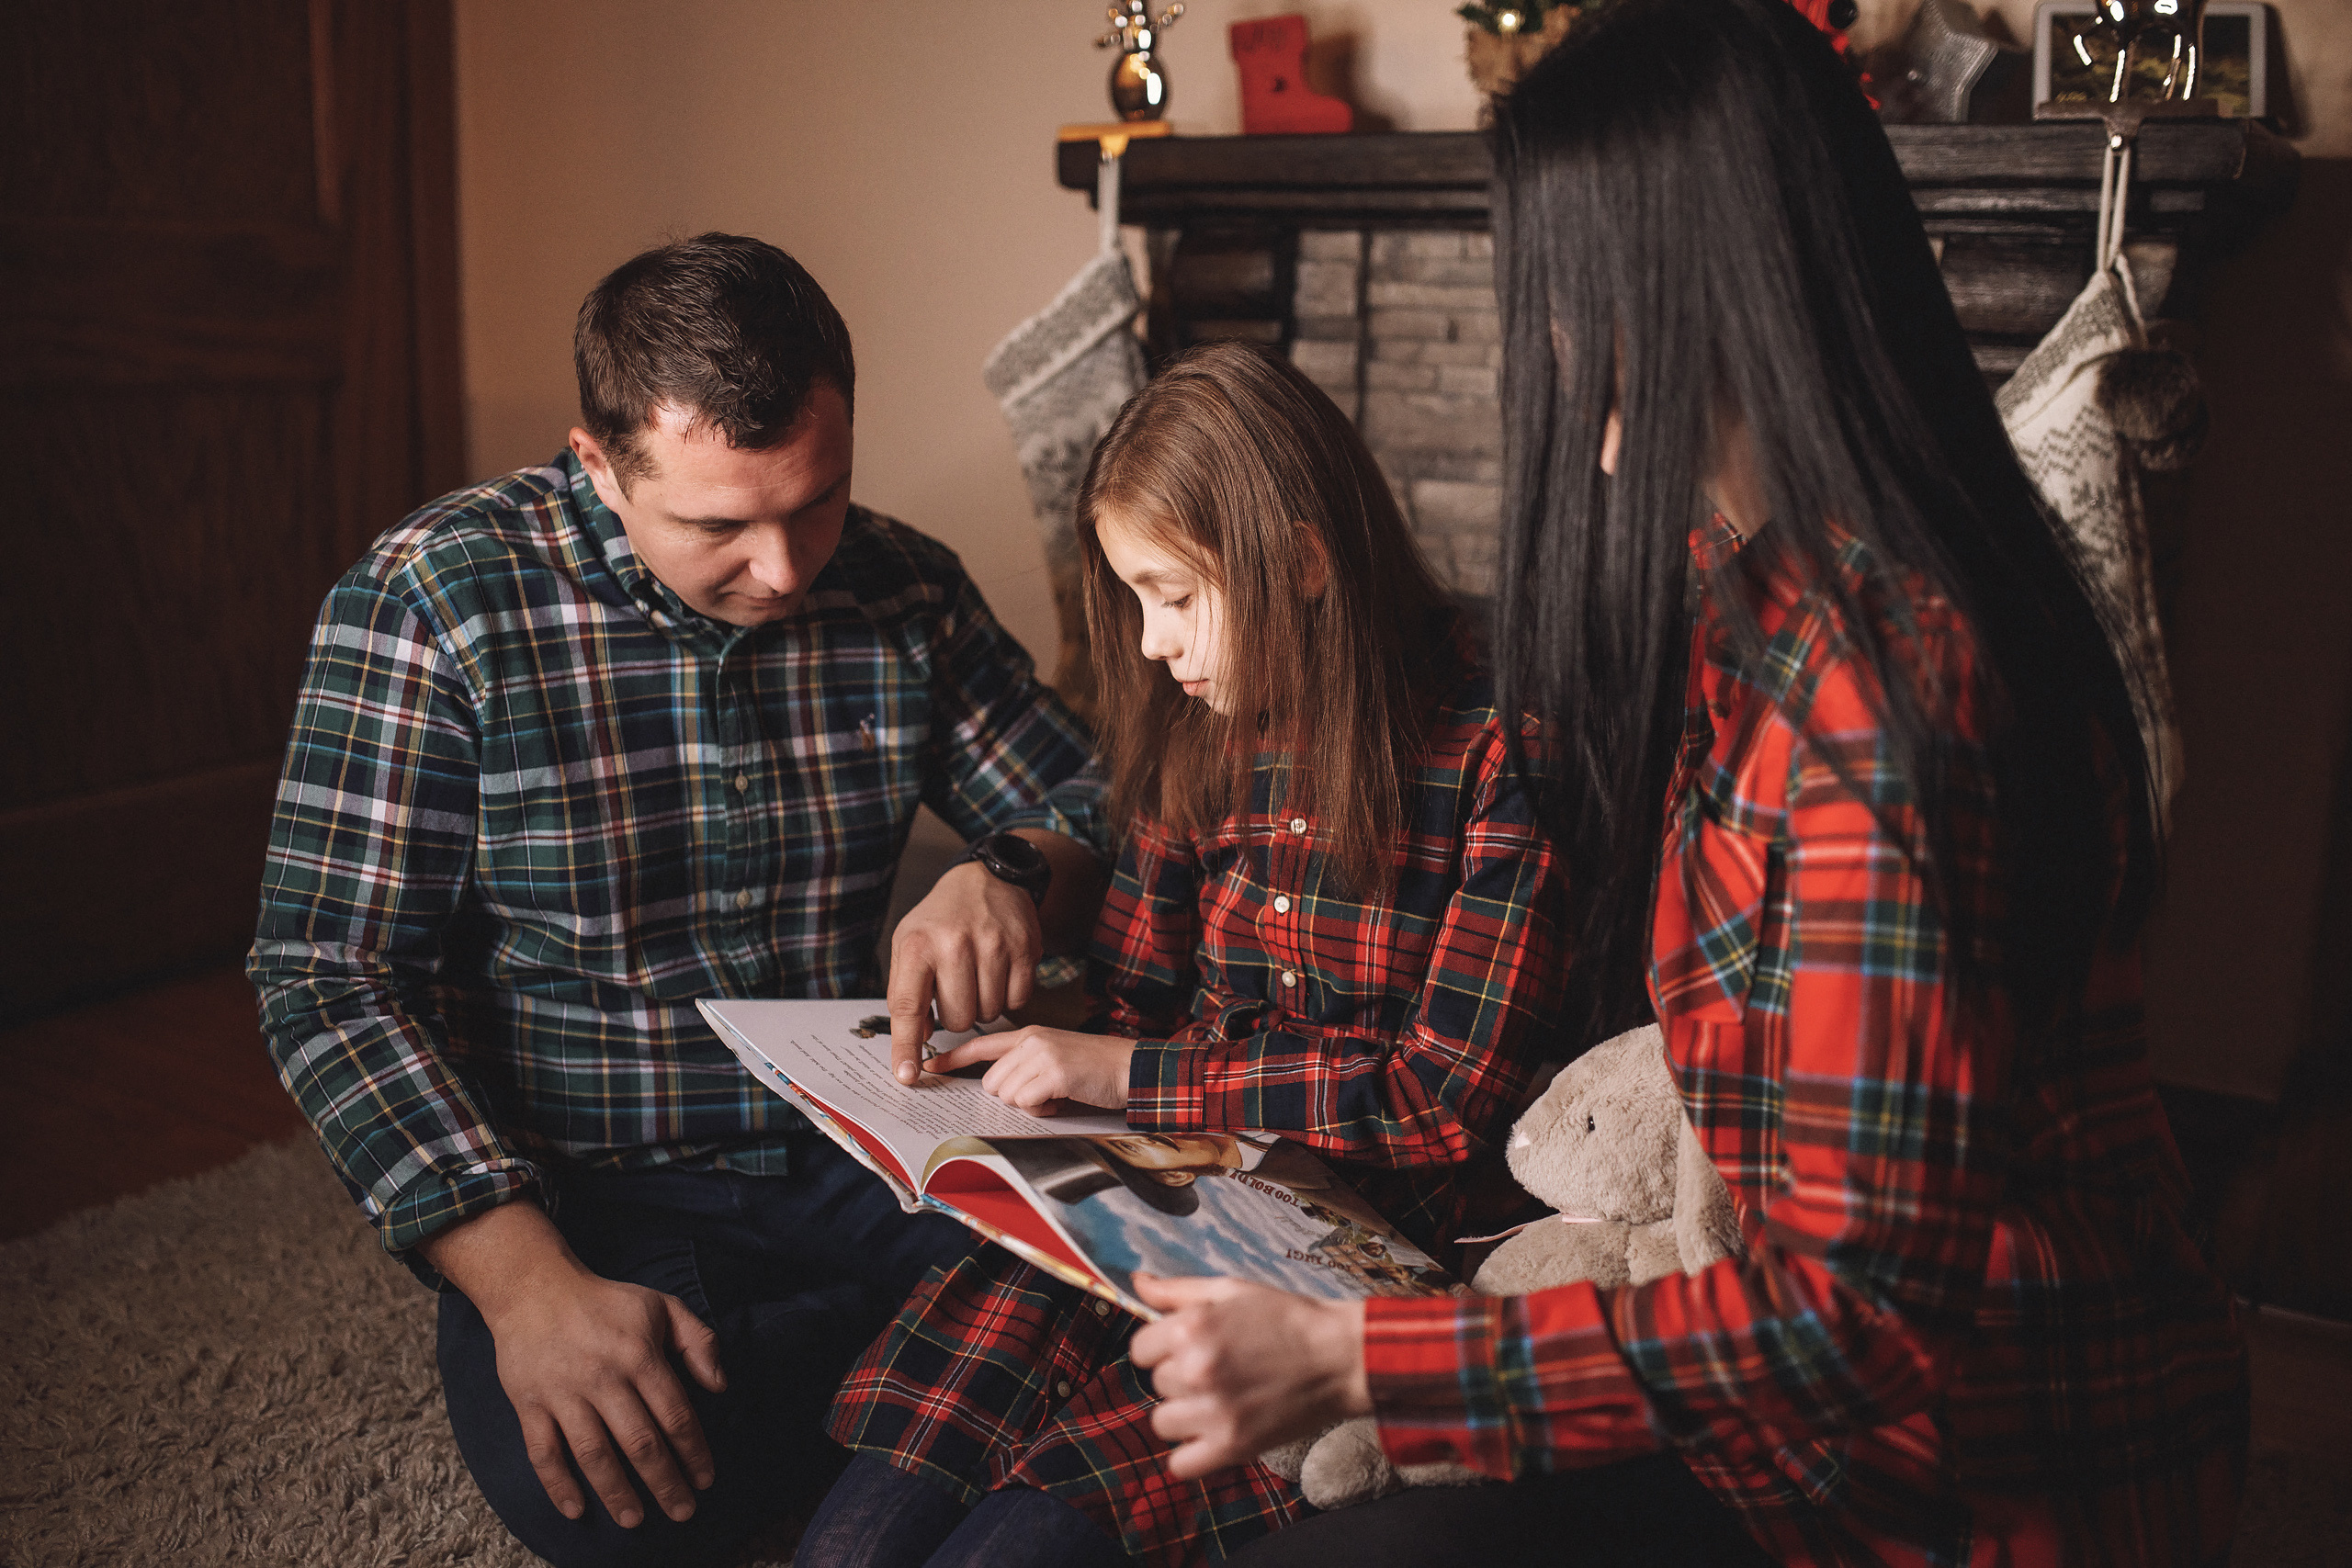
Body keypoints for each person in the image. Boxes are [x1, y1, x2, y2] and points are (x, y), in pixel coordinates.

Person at [1122, 4, 2251, 1565]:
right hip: (1781, 1435)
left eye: (1562, 289)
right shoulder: (1756, 600)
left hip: (1963, 1478)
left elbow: (1855, 1322)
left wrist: (1354, 1358)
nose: (1546, 343)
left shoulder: (1896, 696)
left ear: (1674, 289)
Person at [249, 233, 1112, 1568]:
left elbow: (1093, 803)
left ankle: (884, 1384)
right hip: (592, 1184)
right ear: (596, 464)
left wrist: (1004, 874)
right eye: (719, 524)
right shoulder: (432, 598)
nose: (784, 569)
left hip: (863, 1140)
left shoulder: (905, 582)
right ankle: (907, 1391)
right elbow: (325, 973)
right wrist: (528, 1294)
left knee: (1131, 1293)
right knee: (609, 1497)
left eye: (816, 500)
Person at [794, 341, 1572, 1568]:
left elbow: (1440, 1103)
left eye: (1173, 593)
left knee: (1016, 1546)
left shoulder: (1497, 749)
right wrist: (1013, 1037)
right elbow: (1134, 999)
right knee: (852, 1545)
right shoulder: (1193, 732)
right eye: (1133, 597)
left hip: (1332, 1254)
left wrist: (1118, 1072)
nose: (1151, 644)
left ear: (1305, 564)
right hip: (1147, 1203)